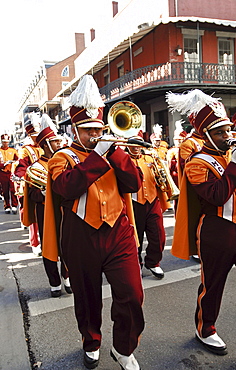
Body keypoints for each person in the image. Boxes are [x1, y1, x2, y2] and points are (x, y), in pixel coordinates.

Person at [42, 75, 144, 369]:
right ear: (74, 130)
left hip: (118, 232)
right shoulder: (61, 156)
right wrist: (97, 156)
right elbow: (67, 188)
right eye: (87, 130)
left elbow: (134, 184)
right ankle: (92, 341)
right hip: (81, 235)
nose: (94, 135)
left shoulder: (114, 152)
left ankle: (124, 348)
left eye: (98, 129)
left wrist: (117, 153)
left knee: (132, 293)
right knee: (87, 298)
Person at [169, 89, 236, 356]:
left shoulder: (235, 154)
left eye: (228, 131)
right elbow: (216, 195)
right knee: (212, 285)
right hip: (216, 230)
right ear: (205, 135)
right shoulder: (196, 162)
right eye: (220, 133)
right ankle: (205, 329)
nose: (227, 137)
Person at [23, 114, 72, 297]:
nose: (59, 144)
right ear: (45, 145)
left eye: (59, 141)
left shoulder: (65, 161)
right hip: (46, 211)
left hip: (65, 210)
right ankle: (54, 283)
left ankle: (66, 277)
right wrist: (44, 193)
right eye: (55, 141)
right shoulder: (35, 168)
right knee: (49, 246)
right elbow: (32, 194)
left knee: (68, 244)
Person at [126, 134, 168, 279]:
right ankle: (136, 264)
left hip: (152, 201)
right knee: (134, 237)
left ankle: (153, 262)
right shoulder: (124, 160)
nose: (136, 147)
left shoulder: (150, 158)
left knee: (159, 235)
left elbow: (160, 178)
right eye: (133, 144)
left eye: (139, 143)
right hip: (133, 203)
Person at [14, 113, 44, 256]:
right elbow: (21, 166)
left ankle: (46, 241)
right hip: (33, 185)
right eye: (35, 135)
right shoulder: (25, 149)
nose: (37, 137)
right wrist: (20, 175)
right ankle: (34, 243)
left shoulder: (45, 146)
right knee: (33, 216)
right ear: (30, 135)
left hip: (46, 185)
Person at [0, 134, 18, 214]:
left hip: (11, 172)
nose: (5, 144)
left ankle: (14, 205)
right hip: (2, 172)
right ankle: (7, 206)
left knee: (13, 189)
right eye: (4, 142)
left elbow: (18, 160)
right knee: (5, 190)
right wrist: (3, 164)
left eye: (7, 142)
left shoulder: (13, 150)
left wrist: (13, 163)